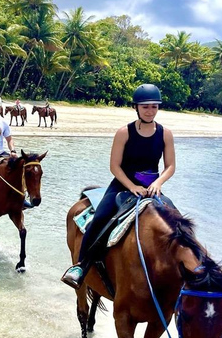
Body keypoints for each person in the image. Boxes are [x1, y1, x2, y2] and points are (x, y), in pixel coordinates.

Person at [61, 84, 176, 289]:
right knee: (101, 218)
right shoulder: (124, 132)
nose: (150, 111)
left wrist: (158, 183)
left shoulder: (165, 134)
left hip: (152, 187)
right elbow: (114, 166)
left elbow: (170, 166)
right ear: (136, 108)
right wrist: (132, 186)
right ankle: (81, 266)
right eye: (145, 107)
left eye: (154, 107)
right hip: (123, 184)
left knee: (177, 222)